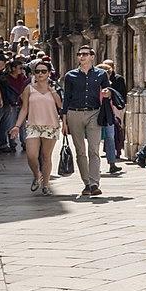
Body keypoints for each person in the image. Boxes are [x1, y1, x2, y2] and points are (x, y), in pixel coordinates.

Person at [61, 45, 112, 197]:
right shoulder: (70, 76)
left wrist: (107, 93)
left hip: (94, 113)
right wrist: (64, 120)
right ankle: (86, 183)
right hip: (74, 113)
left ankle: (95, 182)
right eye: (79, 54)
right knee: (80, 151)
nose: (81, 56)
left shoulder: (102, 74)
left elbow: (108, 90)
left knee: (94, 149)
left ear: (92, 56)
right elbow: (66, 98)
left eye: (85, 54)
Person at [14, 61, 63, 193]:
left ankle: (46, 184)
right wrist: (17, 126)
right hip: (33, 125)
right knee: (31, 155)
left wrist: (52, 90)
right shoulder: (28, 89)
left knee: (46, 156)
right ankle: (37, 175)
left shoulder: (55, 88)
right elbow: (24, 109)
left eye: (43, 71)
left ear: (48, 73)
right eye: (37, 71)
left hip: (51, 125)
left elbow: (60, 105)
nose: (40, 74)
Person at [99, 59, 127, 174]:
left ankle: (112, 163)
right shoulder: (94, 86)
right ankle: (95, 166)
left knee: (110, 137)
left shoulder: (110, 86)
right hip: (96, 114)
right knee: (95, 141)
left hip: (109, 114)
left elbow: (117, 99)